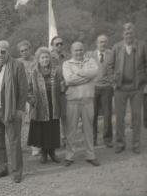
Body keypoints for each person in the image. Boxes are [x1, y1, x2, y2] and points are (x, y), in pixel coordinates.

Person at [0, 40, 28, 183]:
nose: (0, 55)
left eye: (3, 51)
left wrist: (20, 109)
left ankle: (16, 172)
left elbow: (23, 89)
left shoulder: (17, 65)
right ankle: (1, 168)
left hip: (11, 110)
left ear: (8, 51)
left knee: (14, 142)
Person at [108, 23, 147, 154]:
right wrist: (113, 80)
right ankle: (120, 143)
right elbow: (110, 65)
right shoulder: (117, 47)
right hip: (120, 88)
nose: (128, 34)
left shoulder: (142, 46)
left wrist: (144, 80)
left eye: (130, 32)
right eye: (126, 32)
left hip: (137, 88)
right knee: (120, 117)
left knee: (137, 116)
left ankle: (136, 144)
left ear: (134, 33)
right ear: (122, 34)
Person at [62, 42, 100, 167]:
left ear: (84, 50)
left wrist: (77, 74)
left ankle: (90, 155)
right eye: (76, 50)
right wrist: (86, 76)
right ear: (71, 51)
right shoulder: (66, 64)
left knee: (88, 129)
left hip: (88, 100)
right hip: (72, 100)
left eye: (81, 50)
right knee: (71, 129)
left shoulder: (91, 61)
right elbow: (68, 79)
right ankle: (69, 156)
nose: (79, 52)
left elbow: (95, 72)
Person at [27, 47, 61, 164]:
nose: (45, 59)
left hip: (53, 104)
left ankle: (52, 152)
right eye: (43, 57)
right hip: (40, 105)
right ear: (38, 59)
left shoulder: (56, 71)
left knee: (52, 128)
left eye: (47, 57)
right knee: (42, 130)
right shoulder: (34, 72)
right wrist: (32, 101)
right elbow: (28, 89)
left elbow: (62, 84)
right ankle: (43, 153)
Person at [85, 34, 114, 147]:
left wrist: (112, 82)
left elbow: (115, 69)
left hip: (107, 88)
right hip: (93, 88)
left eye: (105, 42)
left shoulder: (111, 54)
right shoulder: (90, 55)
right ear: (97, 43)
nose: (103, 44)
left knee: (107, 115)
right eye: (101, 42)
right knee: (93, 115)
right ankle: (93, 139)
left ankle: (107, 139)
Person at [16, 40, 40, 156]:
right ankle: (17, 146)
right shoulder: (17, 62)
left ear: (30, 49)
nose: (24, 52)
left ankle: (35, 146)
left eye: (26, 50)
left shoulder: (37, 60)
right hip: (20, 95)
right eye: (21, 51)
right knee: (19, 121)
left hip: (34, 94)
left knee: (33, 120)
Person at [50, 36, 69, 147]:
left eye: (61, 43)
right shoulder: (48, 57)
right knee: (54, 116)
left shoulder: (66, 57)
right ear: (52, 46)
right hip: (52, 90)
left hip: (65, 90)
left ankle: (65, 138)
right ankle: (54, 139)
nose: (59, 46)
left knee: (65, 115)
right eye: (56, 44)